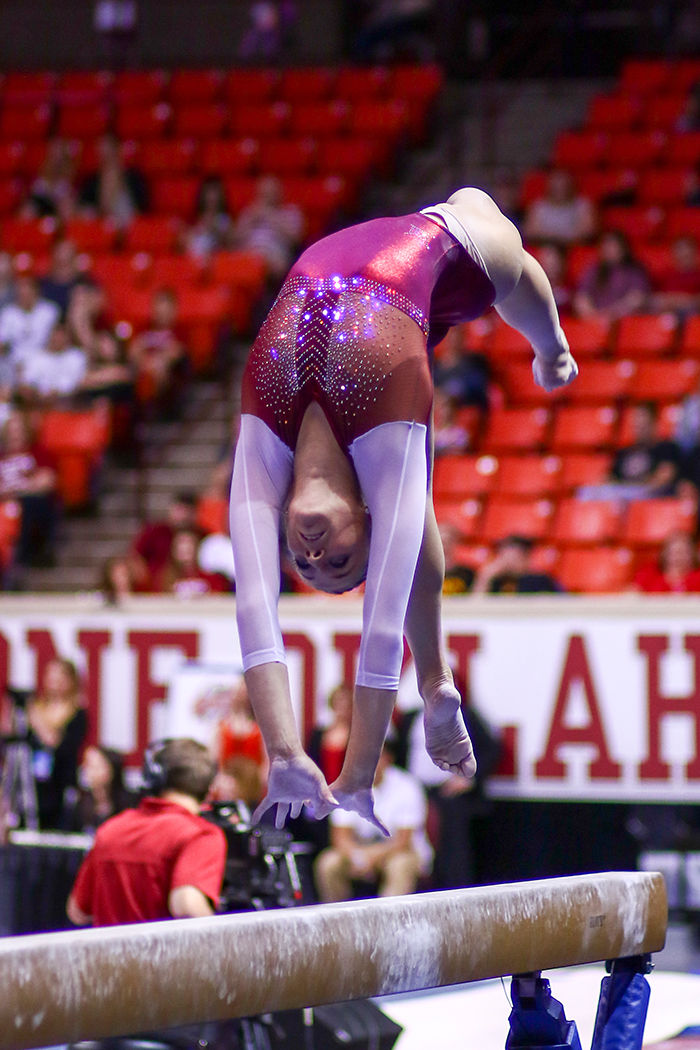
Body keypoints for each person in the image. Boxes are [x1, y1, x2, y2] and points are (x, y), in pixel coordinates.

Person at [229, 185, 577, 831]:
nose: (311, 550)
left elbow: (254, 608)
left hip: (356, 281)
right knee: (502, 254)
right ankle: (552, 343)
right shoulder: (387, 425)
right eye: (336, 561)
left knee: (413, 515)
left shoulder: (261, 448)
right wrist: (358, 774)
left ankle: (438, 680)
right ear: (365, 520)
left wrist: (284, 752)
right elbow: (382, 631)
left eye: (304, 562)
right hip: (446, 252)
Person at [66, 737, 227, 926]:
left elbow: (78, 911)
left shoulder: (110, 829)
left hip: (107, 956)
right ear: (208, 789)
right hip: (169, 955)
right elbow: (186, 905)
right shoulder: (201, 835)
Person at [313, 736, 432, 902]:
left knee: (399, 865)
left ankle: (389, 921)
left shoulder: (407, 786)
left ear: (388, 758)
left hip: (400, 852)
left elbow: (403, 841)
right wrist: (358, 857)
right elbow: (340, 837)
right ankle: (342, 920)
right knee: (328, 863)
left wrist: (369, 857)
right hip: (360, 853)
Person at [579, 401, 682, 503]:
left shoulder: (666, 448)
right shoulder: (624, 452)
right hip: (622, 497)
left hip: (650, 498)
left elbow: (664, 478)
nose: (639, 428)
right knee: (586, 493)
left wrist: (636, 489)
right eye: (636, 423)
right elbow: (607, 478)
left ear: (654, 423)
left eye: (643, 424)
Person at [26, 657, 88, 829]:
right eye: (52, 677)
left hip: (60, 785)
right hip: (34, 783)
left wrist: (37, 721)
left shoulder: (77, 714)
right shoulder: (38, 708)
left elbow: (58, 744)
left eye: (61, 678)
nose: (55, 683)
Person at [573, 230, 650, 321]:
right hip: (595, 322)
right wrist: (594, 317)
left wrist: (611, 314)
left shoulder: (634, 271)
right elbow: (581, 298)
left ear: (623, 248)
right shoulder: (593, 271)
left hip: (624, 321)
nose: (609, 249)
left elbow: (637, 300)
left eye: (614, 246)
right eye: (606, 245)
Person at [78, 132, 149, 228]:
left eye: (110, 154)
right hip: (102, 231)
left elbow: (142, 211)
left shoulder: (135, 178)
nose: (107, 160)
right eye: (103, 155)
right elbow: (86, 211)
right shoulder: (91, 183)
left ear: (118, 152)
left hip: (132, 230)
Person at [130, 490, 198, 587]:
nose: (182, 516)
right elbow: (136, 557)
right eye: (179, 510)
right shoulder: (155, 532)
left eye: (186, 512)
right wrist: (146, 582)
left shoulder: (199, 534)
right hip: (154, 586)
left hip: (186, 584)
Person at [66, 744, 136, 833]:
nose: (88, 771)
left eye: (94, 767)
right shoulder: (79, 802)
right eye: (86, 766)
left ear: (112, 770)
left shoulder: (129, 803)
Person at [523, 169, 597, 247]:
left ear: (571, 186)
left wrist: (557, 238)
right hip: (545, 248)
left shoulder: (583, 205)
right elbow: (531, 232)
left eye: (563, 186)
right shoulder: (538, 206)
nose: (560, 190)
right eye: (556, 187)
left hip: (574, 248)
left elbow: (588, 232)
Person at [472, 534, 563, 594]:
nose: (508, 563)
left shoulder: (539, 581)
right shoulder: (494, 582)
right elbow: (475, 609)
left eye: (515, 558)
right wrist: (485, 579)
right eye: (504, 557)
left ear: (526, 558)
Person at [183, 176, 235, 259]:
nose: (212, 197)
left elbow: (230, 244)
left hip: (217, 258)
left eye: (215, 193)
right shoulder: (193, 218)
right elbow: (186, 241)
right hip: (195, 258)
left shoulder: (225, 219)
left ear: (221, 196)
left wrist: (216, 230)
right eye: (209, 193)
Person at [632, 531, 700, 594]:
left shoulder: (698, 577)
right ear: (664, 554)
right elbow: (631, 596)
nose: (678, 557)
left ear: (693, 554)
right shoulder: (649, 574)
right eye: (673, 552)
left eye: (683, 552)